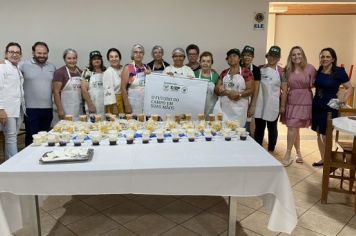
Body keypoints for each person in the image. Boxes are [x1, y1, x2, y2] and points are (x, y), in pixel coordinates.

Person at [311, 47, 352, 167]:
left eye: (328, 56)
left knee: (326, 134)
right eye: (322, 56)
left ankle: (328, 159)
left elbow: (349, 87)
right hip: (317, 105)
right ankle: (323, 159)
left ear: (333, 59)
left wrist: (342, 100)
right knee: (318, 132)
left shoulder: (339, 71)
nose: (324, 59)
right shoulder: (319, 70)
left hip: (330, 107)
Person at [280, 46, 316, 166]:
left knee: (296, 127)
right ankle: (289, 153)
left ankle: (298, 152)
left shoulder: (310, 68)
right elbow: (284, 90)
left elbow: (317, 84)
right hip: (292, 100)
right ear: (291, 56)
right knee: (292, 127)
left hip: (305, 100)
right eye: (294, 54)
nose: (297, 57)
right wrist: (283, 105)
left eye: (299, 54)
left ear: (303, 55)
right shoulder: (286, 70)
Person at [20, 42, 56, 146]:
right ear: (33, 52)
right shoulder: (23, 65)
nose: (42, 55)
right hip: (30, 109)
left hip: (48, 109)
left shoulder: (52, 67)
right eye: (39, 53)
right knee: (32, 138)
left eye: (44, 53)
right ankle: (29, 161)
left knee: (45, 138)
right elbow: (10, 67)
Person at [254, 46, 287, 152]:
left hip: (273, 103)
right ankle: (258, 149)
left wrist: (282, 106)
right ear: (267, 56)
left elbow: (285, 90)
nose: (272, 58)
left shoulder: (282, 72)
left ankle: (271, 149)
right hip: (260, 102)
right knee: (259, 127)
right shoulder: (259, 69)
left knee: (272, 127)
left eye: (275, 56)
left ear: (279, 58)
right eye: (271, 56)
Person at [215, 48, 254, 126]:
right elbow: (216, 90)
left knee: (238, 131)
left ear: (239, 59)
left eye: (234, 56)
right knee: (224, 131)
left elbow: (251, 90)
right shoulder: (224, 73)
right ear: (227, 60)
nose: (232, 58)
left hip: (239, 110)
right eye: (229, 57)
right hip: (225, 110)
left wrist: (239, 94)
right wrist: (220, 89)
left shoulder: (246, 72)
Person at [0, 42, 25, 160]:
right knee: (10, 138)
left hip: (17, 108)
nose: (14, 54)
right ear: (6, 54)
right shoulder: (2, 67)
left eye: (17, 52)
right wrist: (1, 109)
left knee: (12, 137)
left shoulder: (17, 67)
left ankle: (8, 163)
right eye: (11, 52)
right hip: (7, 109)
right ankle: (13, 165)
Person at [52, 48, 82, 122]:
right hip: (65, 110)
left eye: (74, 58)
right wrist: (60, 110)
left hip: (79, 109)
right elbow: (56, 92)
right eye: (69, 58)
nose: (72, 61)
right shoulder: (59, 73)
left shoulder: (80, 72)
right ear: (64, 59)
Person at [121, 44, 150, 114]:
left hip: (146, 102)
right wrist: (127, 105)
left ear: (143, 54)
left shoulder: (147, 67)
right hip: (133, 102)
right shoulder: (128, 67)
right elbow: (123, 88)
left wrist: (150, 74)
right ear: (132, 54)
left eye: (140, 52)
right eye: (136, 52)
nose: (138, 54)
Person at [241, 45, 261, 134]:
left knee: (249, 128)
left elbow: (256, 89)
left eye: (249, 55)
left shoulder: (256, 70)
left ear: (253, 57)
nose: (247, 57)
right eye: (245, 55)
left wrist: (252, 105)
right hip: (239, 100)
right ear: (242, 56)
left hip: (250, 100)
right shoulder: (238, 67)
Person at [194, 51, 219, 119]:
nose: (205, 63)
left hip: (211, 110)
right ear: (200, 62)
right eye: (203, 61)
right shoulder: (193, 74)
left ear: (211, 63)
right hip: (196, 109)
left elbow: (218, 92)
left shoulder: (215, 76)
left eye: (208, 61)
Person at [81, 51, 106, 117]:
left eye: (98, 58)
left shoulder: (106, 71)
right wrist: (90, 105)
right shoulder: (87, 72)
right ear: (90, 61)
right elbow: (84, 91)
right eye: (94, 59)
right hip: (92, 104)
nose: (96, 60)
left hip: (105, 105)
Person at [103, 48, 124, 114]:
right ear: (108, 59)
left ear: (120, 58)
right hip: (114, 102)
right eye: (111, 57)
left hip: (123, 99)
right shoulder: (108, 72)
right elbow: (108, 90)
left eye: (116, 56)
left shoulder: (123, 69)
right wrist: (114, 106)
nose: (114, 59)